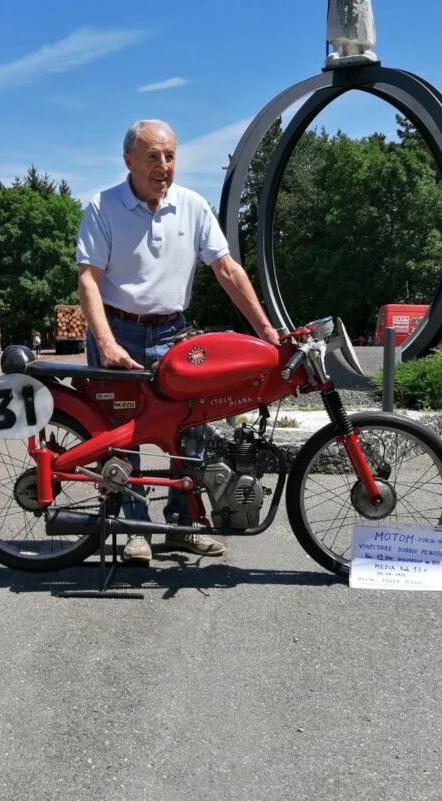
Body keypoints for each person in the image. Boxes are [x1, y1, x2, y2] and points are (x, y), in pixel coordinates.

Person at [76, 119, 281, 563]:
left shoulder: (192, 205)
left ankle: (181, 527)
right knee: (122, 438)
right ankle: (136, 530)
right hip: (119, 331)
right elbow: (88, 280)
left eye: (170, 156)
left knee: (189, 431)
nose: (163, 166)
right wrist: (106, 344)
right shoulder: (102, 207)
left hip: (173, 332)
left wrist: (267, 331)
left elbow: (226, 269)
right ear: (128, 160)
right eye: (152, 156)